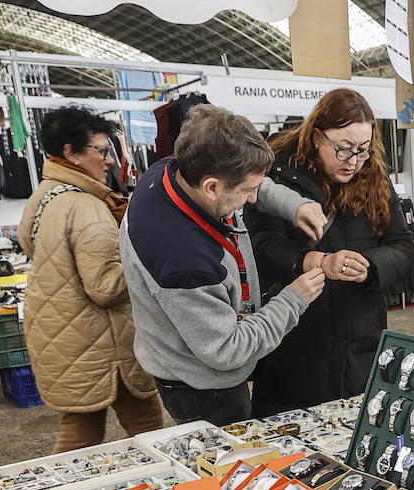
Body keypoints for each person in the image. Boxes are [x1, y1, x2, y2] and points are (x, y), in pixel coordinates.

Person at [120, 104, 328, 426]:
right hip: (204, 387)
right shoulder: (182, 261)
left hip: (198, 356)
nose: (253, 199)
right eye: (247, 192)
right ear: (212, 187)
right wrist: (294, 297)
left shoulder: (178, 169)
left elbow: (249, 181)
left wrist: (293, 205)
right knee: (227, 461)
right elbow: (227, 349)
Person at [247, 88, 414, 415]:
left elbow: (403, 246)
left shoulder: (374, 178)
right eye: (343, 149)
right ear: (316, 136)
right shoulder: (276, 175)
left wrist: (371, 267)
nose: (353, 161)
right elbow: (259, 248)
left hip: (361, 351)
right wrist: (317, 262)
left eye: (363, 150)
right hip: (294, 350)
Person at [20, 106, 164, 453]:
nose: (110, 160)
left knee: (81, 432)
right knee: (148, 430)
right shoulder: (87, 206)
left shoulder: (43, 197)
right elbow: (105, 286)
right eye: (101, 150)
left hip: (68, 339)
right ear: (70, 152)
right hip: (103, 347)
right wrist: (151, 264)